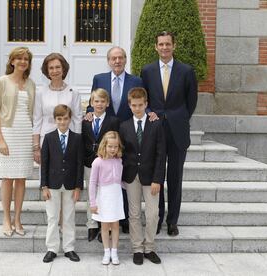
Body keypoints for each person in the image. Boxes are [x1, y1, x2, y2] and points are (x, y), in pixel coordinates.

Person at [141, 31, 198, 236]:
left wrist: (179, 118)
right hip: (155, 131)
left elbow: (191, 102)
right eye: (161, 44)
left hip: (177, 132)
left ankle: (172, 221)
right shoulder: (147, 71)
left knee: (175, 177)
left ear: (174, 46)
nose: (164, 47)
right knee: (157, 177)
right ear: (156, 47)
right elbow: (144, 100)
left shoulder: (186, 71)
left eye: (168, 44)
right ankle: (156, 219)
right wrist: (150, 114)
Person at [85, 46, 146, 237]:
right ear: (108, 61)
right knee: (103, 182)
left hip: (127, 136)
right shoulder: (99, 78)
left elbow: (141, 102)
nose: (117, 61)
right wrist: (89, 113)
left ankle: (125, 219)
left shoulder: (136, 80)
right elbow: (93, 101)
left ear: (125, 60)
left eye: (120, 58)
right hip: (106, 136)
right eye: (113, 58)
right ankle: (99, 220)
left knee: (124, 177)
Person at [0, 46, 36, 237]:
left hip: (25, 133)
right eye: (19, 58)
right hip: (8, 133)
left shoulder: (31, 83)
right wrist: (0, 138)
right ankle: (6, 219)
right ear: (12, 61)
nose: (23, 62)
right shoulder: (2, 81)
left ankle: (18, 219)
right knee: (7, 178)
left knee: (21, 178)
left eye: (26, 59)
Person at [119, 87, 166, 265]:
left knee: (153, 213)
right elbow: (122, 153)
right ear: (129, 105)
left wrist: (158, 179)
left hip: (151, 177)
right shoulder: (124, 126)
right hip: (131, 176)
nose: (137, 108)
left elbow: (161, 154)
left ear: (146, 104)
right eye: (134, 105)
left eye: (141, 105)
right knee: (134, 213)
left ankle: (150, 247)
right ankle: (137, 248)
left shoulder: (156, 124)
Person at [41, 104, 84, 263]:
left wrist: (78, 187)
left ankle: (69, 248)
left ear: (70, 119)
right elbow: (44, 163)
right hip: (52, 184)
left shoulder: (77, 138)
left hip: (71, 185)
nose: (62, 122)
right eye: (59, 119)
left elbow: (79, 164)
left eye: (65, 118)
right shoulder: (49, 137)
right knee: (52, 217)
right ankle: (52, 248)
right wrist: (44, 186)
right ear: (55, 119)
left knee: (68, 217)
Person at [82, 89, 120, 242]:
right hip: (89, 162)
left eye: (102, 101)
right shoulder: (85, 121)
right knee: (90, 194)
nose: (99, 104)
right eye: (96, 101)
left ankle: (106, 225)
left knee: (105, 194)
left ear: (107, 103)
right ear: (91, 103)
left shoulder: (113, 121)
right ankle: (92, 225)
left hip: (106, 163)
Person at [33, 53, 82, 162]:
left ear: (63, 69)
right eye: (51, 68)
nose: (55, 71)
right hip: (46, 139)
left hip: (69, 139)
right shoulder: (40, 92)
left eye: (58, 67)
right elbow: (37, 120)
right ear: (47, 71)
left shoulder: (74, 92)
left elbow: (77, 119)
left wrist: (77, 142)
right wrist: (36, 147)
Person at [88, 131, 124, 265]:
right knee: (104, 226)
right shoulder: (98, 162)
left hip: (116, 196)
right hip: (103, 196)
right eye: (110, 146)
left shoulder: (119, 161)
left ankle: (114, 252)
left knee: (115, 225)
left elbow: (120, 181)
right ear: (104, 145)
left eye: (115, 147)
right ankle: (106, 252)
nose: (113, 149)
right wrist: (92, 202)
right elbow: (92, 183)